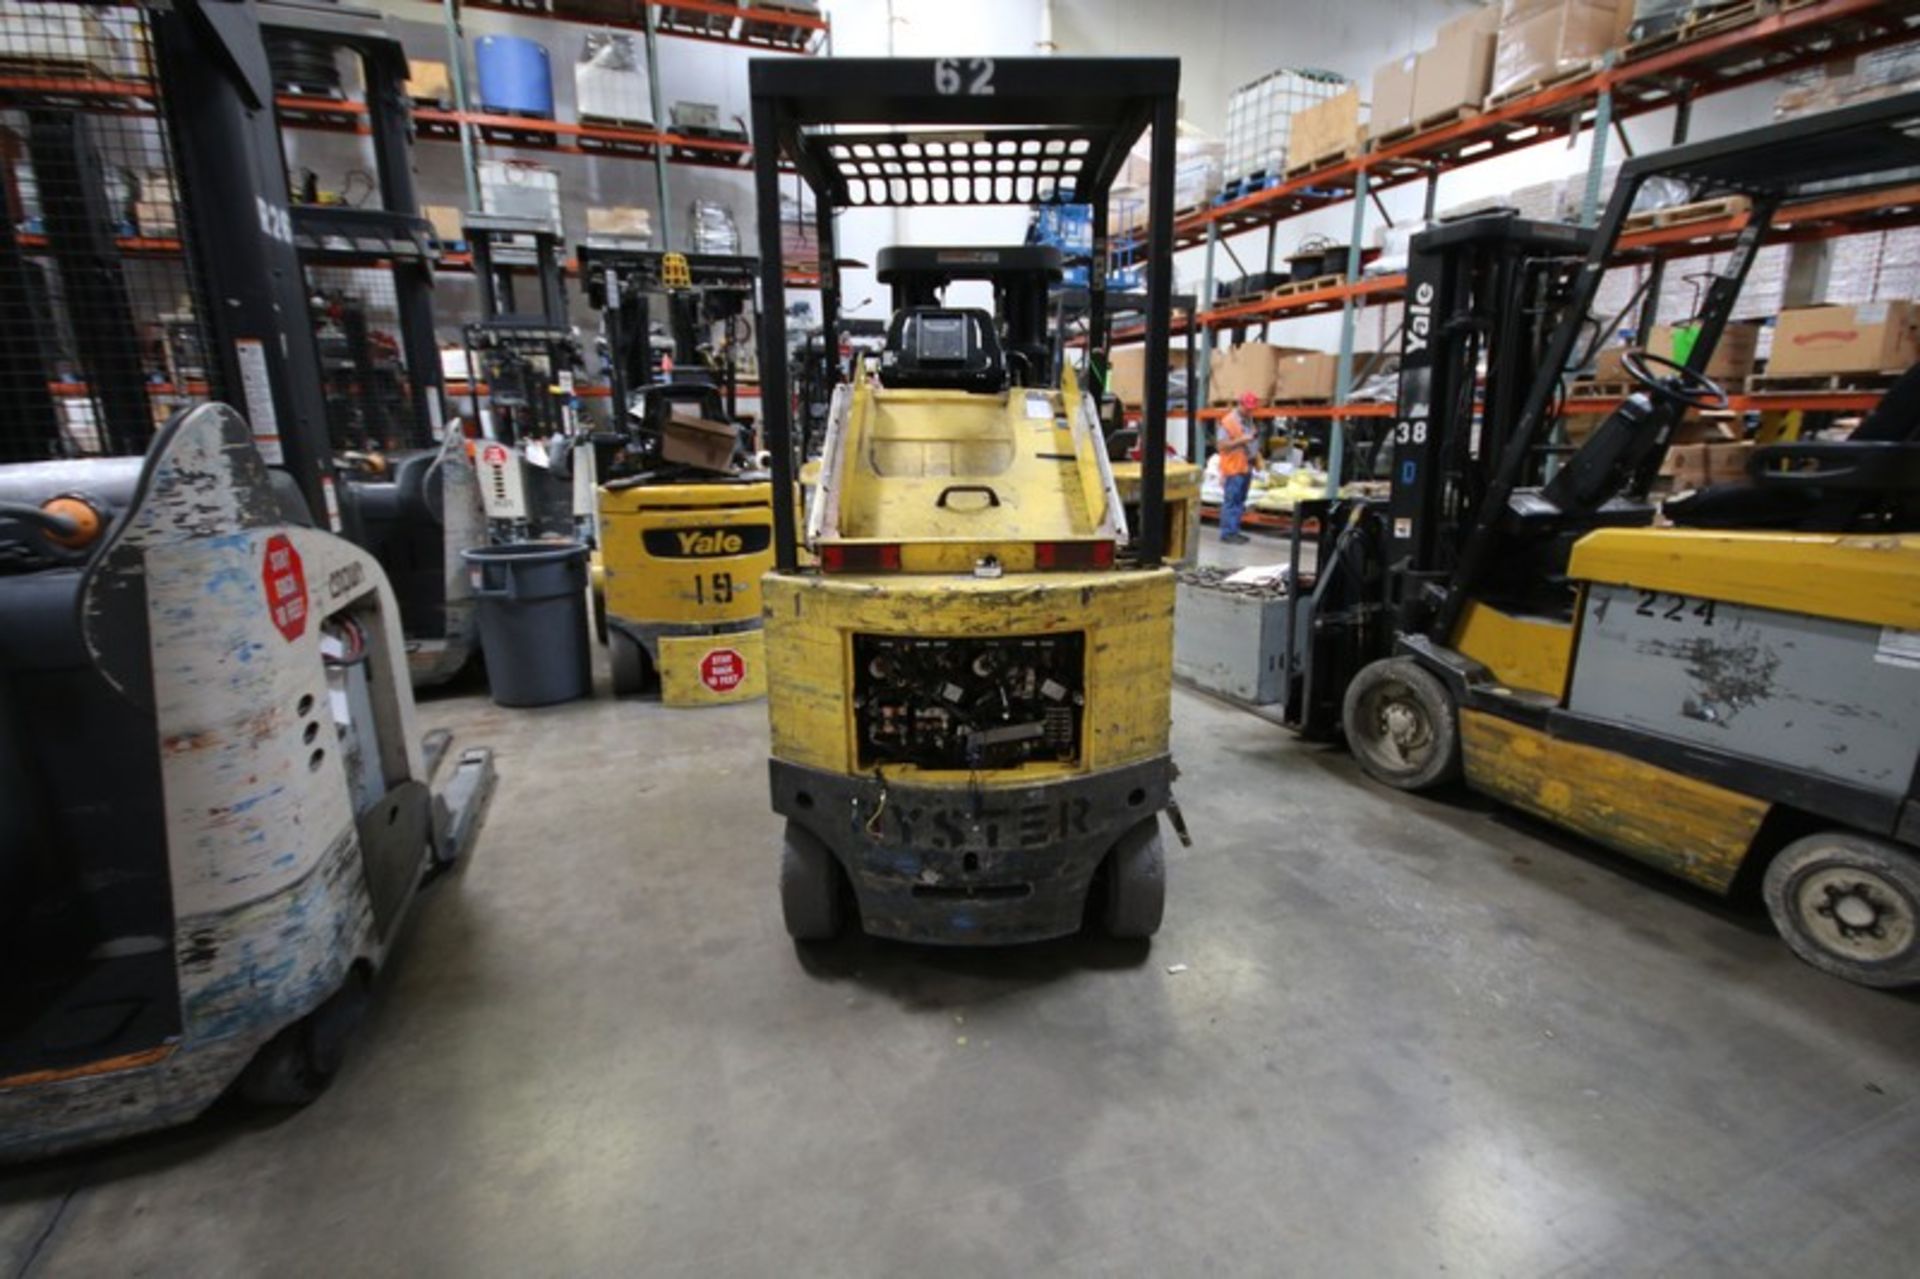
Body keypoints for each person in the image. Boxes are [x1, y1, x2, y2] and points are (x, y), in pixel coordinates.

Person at [1215, 391, 1260, 544]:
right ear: (1240, 404)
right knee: (1232, 500)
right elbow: (1221, 445)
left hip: (1246, 466)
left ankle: (1234, 531)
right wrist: (1242, 440)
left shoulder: (1249, 420)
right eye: (1247, 408)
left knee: (1240, 500)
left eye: (1252, 408)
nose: (1250, 410)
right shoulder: (1229, 421)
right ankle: (1227, 533)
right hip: (1234, 468)